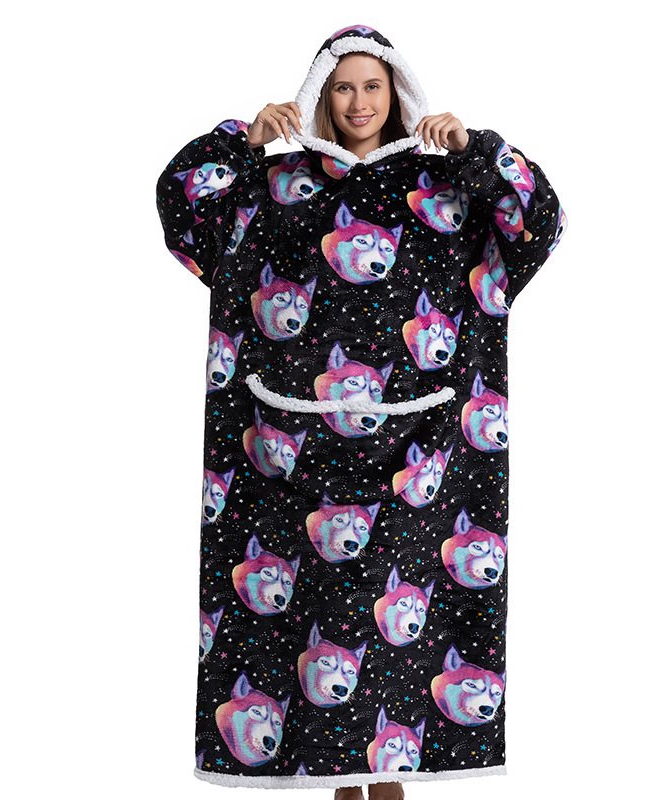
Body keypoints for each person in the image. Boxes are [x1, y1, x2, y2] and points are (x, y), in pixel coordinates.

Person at [156, 23, 566, 798]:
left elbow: (537, 224)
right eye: (342, 87)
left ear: (396, 91)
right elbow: (182, 209)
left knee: (404, 666)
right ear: (321, 94)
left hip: (423, 462)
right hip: (294, 463)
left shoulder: (445, 188)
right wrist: (242, 140)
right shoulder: (274, 185)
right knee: (320, 662)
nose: (358, 102)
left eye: (372, 85)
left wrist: (477, 151)